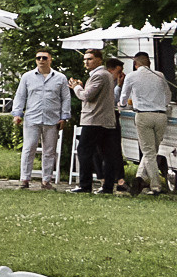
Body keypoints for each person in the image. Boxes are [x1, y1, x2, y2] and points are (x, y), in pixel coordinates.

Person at [11, 49, 75, 188]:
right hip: (32, 118)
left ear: (50, 59)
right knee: (29, 148)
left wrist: (64, 116)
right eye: (38, 58)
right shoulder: (27, 77)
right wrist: (17, 113)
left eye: (44, 58)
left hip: (52, 119)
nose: (41, 60)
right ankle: (25, 179)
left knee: (49, 151)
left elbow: (65, 98)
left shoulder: (60, 78)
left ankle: (46, 180)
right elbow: (21, 95)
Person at [121, 49, 169, 196]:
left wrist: (122, 104)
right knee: (153, 150)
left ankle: (155, 186)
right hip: (161, 116)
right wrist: (162, 104)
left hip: (143, 115)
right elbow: (168, 94)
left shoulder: (131, 76)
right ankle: (140, 178)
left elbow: (124, 96)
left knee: (148, 152)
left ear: (135, 63)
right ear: (149, 62)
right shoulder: (160, 75)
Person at [76, 48, 121, 196]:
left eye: (90, 59)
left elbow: (87, 96)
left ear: (99, 60)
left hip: (94, 119)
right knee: (107, 153)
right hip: (106, 119)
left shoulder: (99, 75)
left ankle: (85, 185)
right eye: (85, 59)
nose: (86, 62)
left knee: (84, 151)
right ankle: (107, 187)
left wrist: (76, 87)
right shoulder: (106, 75)